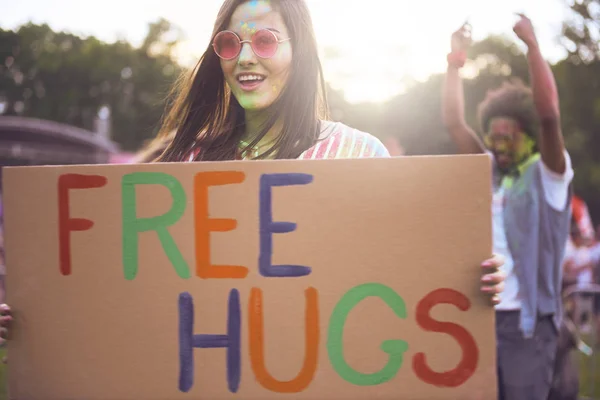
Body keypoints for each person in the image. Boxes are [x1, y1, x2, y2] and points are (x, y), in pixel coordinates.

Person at [0, 0, 505, 346]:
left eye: (265, 41)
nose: (244, 58)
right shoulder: (187, 163)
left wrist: (464, 281)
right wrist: (34, 311)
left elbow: (404, 271)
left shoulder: (359, 153)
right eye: (229, 43)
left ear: (299, 51)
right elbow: (125, 282)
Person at [442, 15, 573, 400]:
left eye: (508, 137)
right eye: (492, 136)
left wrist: (533, 47)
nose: (497, 145)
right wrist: (454, 59)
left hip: (526, 326)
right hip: (478, 316)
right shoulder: (490, 174)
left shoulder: (548, 176)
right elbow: (454, 122)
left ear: (529, 139)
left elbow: (549, 115)